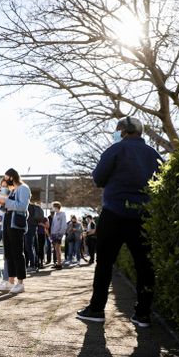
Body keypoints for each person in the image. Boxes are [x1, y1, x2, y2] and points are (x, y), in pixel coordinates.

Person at [76, 117, 161, 326]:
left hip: (113, 213)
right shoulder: (153, 154)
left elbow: (98, 179)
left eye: (117, 130)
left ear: (123, 131)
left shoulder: (115, 150)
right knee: (144, 265)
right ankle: (143, 313)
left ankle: (96, 310)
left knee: (104, 262)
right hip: (142, 216)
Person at [0, 168, 31, 293]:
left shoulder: (23, 188)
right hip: (7, 221)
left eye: (6, 177)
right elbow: (7, 207)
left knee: (17, 252)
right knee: (8, 253)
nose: (5, 180)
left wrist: (6, 201)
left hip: (16, 224)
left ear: (12, 177)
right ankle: (10, 281)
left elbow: (22, 206)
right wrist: (3, 202)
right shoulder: (13, 190)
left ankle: (21, 283)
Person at [26, 200, 44, 272]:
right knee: (33, 246)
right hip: (34, 227)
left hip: (29, 228)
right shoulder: (34, 207)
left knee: (29, 247)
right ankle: (36, 264)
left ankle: (33, 265)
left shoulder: (26, 207)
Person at [49, 202, 67, 269]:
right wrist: (51, 234)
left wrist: (60, 233)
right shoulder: (55, 215)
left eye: (53, 207)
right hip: (54, 234)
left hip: (58, 234)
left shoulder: (62, 214)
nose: (52, 208)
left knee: (57, 249)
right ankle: (58, 263)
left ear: (56, 207)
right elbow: (53, 225)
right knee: (56, 249)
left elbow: (64, 225)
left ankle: (59, 264)